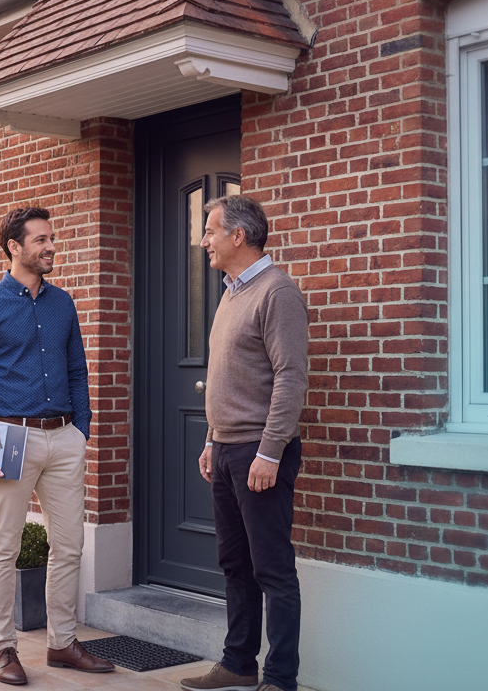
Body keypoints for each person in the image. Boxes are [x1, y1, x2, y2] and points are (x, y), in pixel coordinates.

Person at [0, 206, 114, 685]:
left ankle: (62, 643)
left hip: (63, 437)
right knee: (2, 549)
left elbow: (78, 371)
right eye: (40, 240)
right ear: (14, 247)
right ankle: (3, 648)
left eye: (51, 238)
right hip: (8, 436)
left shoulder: (62, 303)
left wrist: (80, 430)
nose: (50, 246)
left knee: (68, 546)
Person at [182, 195, 308, 691]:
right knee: (235, 564)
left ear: (239, 236)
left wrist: (270, 452)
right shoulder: (232, 292)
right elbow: (227, 375)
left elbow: (290, 378)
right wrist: (213, 439)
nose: (203, 240)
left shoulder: (277, 292)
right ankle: (237, 664)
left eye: (210, 231)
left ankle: (280, 679)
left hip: (260, 452)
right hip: (229, 449)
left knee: (272, 569)